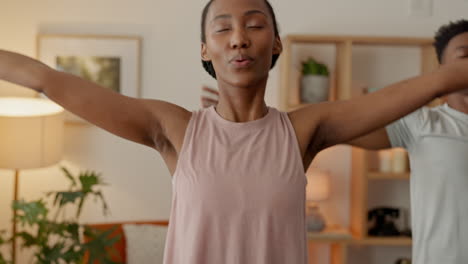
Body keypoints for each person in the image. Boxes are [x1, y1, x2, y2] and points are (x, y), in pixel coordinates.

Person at [1, 0, 468, 263]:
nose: (239, 38)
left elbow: (436, 81)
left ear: (276, 43)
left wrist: (456, 70)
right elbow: (47, 78)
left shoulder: (305, 128)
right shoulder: (174, 128)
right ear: (206, 49)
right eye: (222, 29)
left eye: (255, 25)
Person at [199, 19, 468, 264]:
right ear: (442, 71)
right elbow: (321, 130)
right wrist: (237, 118)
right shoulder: (422, 123)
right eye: (465, 57)